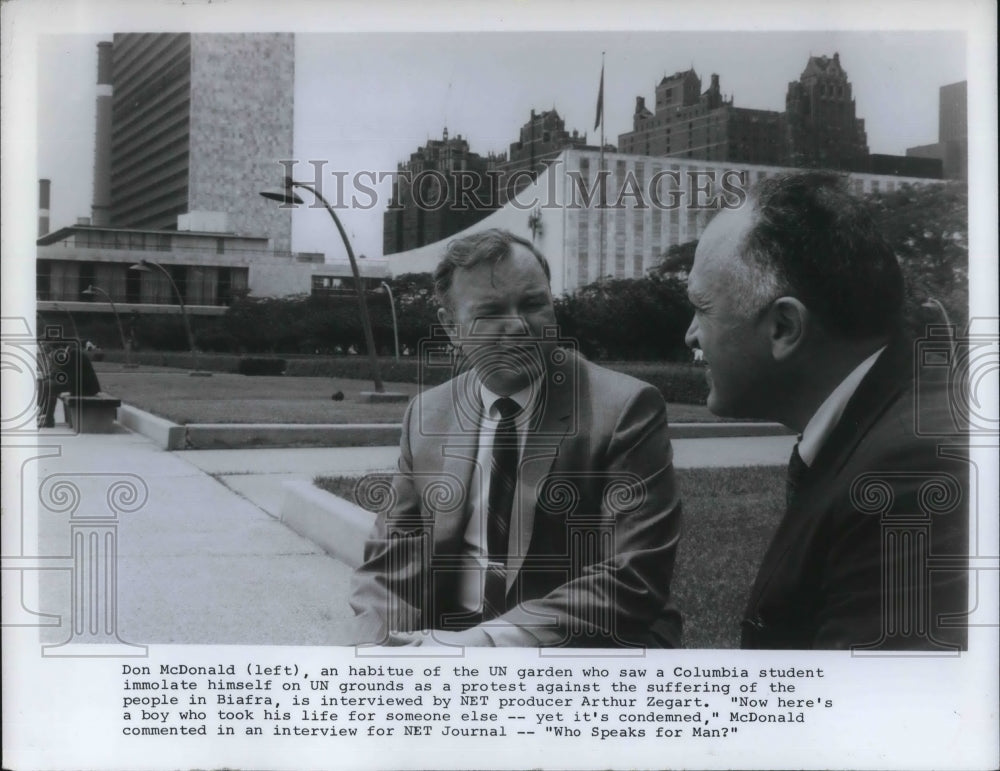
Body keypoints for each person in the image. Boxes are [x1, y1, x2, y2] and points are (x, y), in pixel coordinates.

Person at [349, 229, 683, 647]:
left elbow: (632, 576)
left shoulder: (626, 408)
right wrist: (372, 647)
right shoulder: (426, 414)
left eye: (533, 304)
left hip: (581, 652)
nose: (519, 326)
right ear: (452, 328)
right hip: (446, 644)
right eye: (491, 311)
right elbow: (390, 565)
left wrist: (483, 644)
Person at [685, 171, 968, 651]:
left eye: (702, 309)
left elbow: (864, 716)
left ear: (784, 327)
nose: (691, 336)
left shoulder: (909, 477)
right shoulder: (888, 426)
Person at [37, 341, 102, 428]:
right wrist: (50, 375)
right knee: (47, 384)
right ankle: (45, 416)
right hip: (81, 385)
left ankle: (47, 418)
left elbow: (69, 376)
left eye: (53, 352)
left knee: (50, 386)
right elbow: (63, 374)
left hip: (86, 388)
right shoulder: (70, 354)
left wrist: (71, 392)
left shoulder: (73, 355)